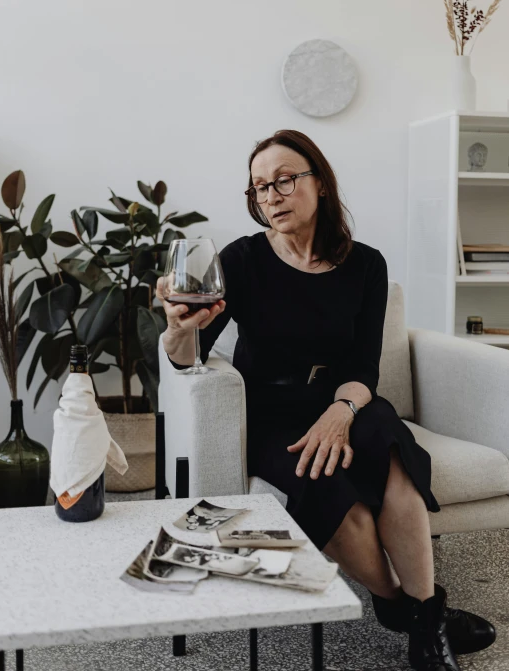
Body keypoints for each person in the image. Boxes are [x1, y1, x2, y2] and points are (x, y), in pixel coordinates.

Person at [158, 129, 495, 671]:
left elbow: (364, 366)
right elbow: (188, 354)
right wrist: (176, 328)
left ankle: (425, 623)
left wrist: (342, 413)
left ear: (320, 182)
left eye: (284, 180)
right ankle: (408, 612)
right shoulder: (241, 260)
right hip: (271, 414)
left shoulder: (366, 264)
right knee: (336, 497)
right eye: (259, 187)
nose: (270, 195)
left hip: (348, 401)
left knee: (389, 452)